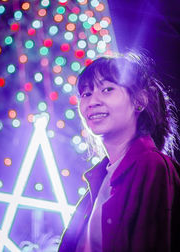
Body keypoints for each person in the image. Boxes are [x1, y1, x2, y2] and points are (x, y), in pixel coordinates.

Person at [58, 51, 180, 252]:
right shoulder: (99, 178)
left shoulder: (151, 165)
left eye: (107, 89)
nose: (92, 101)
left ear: (139, 100)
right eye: (86, 93)